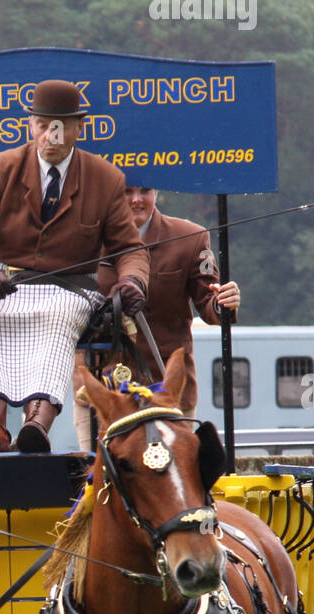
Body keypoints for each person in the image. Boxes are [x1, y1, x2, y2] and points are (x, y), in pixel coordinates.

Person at [0, 80, 149, 454]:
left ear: (79, 128)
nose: (51, 135)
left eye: (60, 126)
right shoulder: (0, 168)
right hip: (3, 281)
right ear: (31, 126)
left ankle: (36, 424)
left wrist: (132, 281)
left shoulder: (106, 178)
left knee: (57, 314)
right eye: (43, 125)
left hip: (69, 288)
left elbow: (130, 249)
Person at [71, 184, 241, 450]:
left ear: (157, 193)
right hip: (101, 392)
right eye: (127, 191)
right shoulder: (81, 240)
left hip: (168, 389)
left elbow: (209, 304)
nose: (137, 200)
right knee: (104, 481)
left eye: (145, 191)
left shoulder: (191, 237)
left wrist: (224, 303)